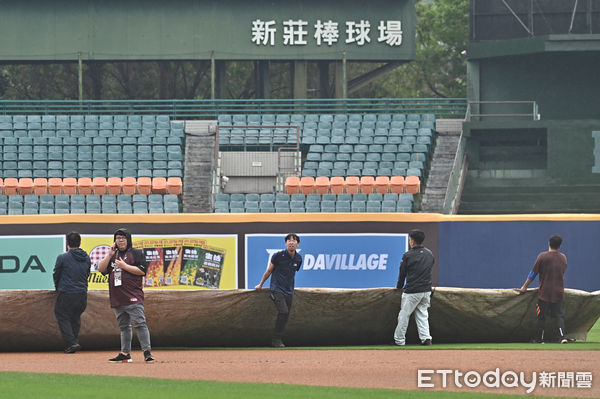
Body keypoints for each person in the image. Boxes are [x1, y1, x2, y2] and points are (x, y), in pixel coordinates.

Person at [98, 228, 154, 362]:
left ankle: (147, 352)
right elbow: (101, 269)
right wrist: (109, 254)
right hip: (117, 296)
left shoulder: (136, 252)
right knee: (124, 327)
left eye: (123, 238)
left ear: (128, 240)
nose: (120, 240)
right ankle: (125, 353)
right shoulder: (113, 255)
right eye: (118, 238)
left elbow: (142, 271)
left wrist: (124, 266)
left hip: (133, 296)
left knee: (140, 324)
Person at [255, 233, 302, 348]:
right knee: (283, 312)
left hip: (289, 291)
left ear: (298, 244)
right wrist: (260, 284)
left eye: (294, 240)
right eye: (289, 240)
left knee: (285, 315)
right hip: (276, 289)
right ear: (285, 243)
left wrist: (291, 287)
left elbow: (293, 273)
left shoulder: (299, 258)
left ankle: (277, 339)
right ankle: (276, 340)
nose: (291, 242)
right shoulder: (278, 256)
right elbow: (269, 271)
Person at [518, 234, 568, 344]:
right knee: (559, 316)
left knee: (542, 317)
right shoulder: (563, 258)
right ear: (560, 246)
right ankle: (562, 337)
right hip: (559, 292)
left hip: (544, 292)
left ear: (549, 243)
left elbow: (533, 273)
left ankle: (540, 339)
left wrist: (524, 287)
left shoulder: (542, 256)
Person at [393, 229, 434, 346]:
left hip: (412, 291)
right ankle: (426, 338)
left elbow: (402, 274)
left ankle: (399, 341)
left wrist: (399, 287)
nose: (410, 241)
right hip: (426, 290)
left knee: (404, 315)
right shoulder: (429, 253)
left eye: (410, 239)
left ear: (412, 241)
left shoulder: (408, 255)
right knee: (422, 314)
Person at [53, 231, 91, 354]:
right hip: (82, 293)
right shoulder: (87, 257)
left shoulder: (62, 257)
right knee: (75, 317)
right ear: (80, 243)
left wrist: (57, 287)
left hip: (67, 292)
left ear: (67, 243)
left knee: (62, 316)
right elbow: (87, 274)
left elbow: (56, 274)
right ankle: (73, 342)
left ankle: (72, 342)